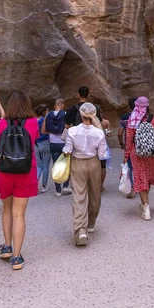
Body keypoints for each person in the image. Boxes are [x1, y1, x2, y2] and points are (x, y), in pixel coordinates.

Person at [0, 92, 39, 270]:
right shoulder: (33, 122)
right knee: (19, 215)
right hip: (25, 172)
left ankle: (7, 247)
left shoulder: (0, 123)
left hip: (4, 172)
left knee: (7, 210)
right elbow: (35, 139)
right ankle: (17, 258)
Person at [63, 103, 107, 246]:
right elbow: (102, 154)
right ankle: (91, 223)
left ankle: (80, 229)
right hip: (94, 163)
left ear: (80, 115)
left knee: (79, 196)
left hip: (77, 163)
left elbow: (67, 150)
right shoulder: (99, 132)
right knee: (95, 193)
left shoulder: (73, 131)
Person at [123, 96, 154, 221]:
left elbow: (129, 140)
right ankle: (145, 203)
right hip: (151, 153)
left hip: (137, 153)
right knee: (147, 178)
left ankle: (146, 207)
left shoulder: (132, 119)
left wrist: (126, 156)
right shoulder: (153, 119)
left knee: (140, 177)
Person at [42, 99, 70, 196]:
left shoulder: (48, 115)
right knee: (66, 165)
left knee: (56, 165)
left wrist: (50, 132)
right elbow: (69, 128)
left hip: (53, 143)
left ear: (55, 106)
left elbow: (43, 130)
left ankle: (57, 190)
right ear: (62, 105)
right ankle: (65, 186)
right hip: (64, 143)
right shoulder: (66, 114)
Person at [118, 97, 137, 198]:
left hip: (129, 145)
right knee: (139, 166)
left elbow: (120, 133)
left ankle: (132, 188)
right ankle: (140, 186)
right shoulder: (142, 117)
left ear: (129, 106)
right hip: (140, 145)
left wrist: (121, 143)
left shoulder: (124, 117)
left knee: (129, 167)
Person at [35, 104, 51, 194]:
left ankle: (35, 184)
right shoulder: (46, 120)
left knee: (39, 165)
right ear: (44, 112)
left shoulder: (33, 121)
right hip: (46, 142)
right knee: (46, 165)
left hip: (36, 144)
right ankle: (44, 186)